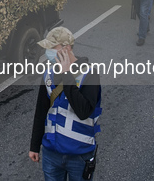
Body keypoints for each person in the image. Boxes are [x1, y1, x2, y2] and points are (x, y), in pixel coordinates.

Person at [29, 27, 101, 181]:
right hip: (51, 154)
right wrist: (34, 146)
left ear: (66, 48)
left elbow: (83, 111)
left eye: (51, 48)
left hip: (79, 155)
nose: (48, 52)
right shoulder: (48, 74)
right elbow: (41, 111)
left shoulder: (90, 74)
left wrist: (67, 74)